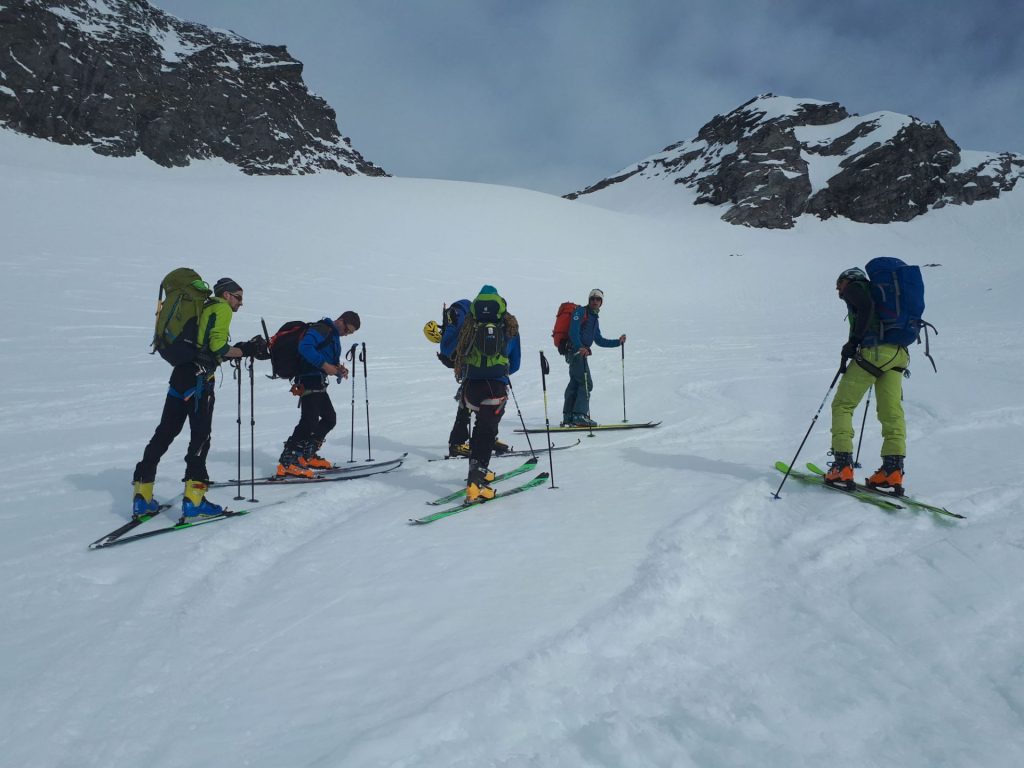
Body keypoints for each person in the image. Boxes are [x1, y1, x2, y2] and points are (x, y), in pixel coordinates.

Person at [133, 277, 264, 522]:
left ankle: (142, 494)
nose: (240, 303)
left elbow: (204, 345)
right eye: (238, 297)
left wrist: (238, 348)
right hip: (200, 382)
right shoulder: (222, 309)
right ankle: (194, 500)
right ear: (226, 295)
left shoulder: (203, 307)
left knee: (165, 433)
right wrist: (246, 350)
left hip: (180, 376)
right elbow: (217, 349)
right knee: (200, 438)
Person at [825, 267, 910, 492]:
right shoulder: (884, 296)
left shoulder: (857, 287)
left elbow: (865, 307)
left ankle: (842, 466)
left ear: (849, 280)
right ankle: (891, 472)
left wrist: (853, 342)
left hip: (875, 352)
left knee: (843, 405)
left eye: (839, 283)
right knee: (891, 412)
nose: (838, 289)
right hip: (899, 354)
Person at [451, 285, 521, 501]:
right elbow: (516, 364)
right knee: (486, 431)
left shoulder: (470, 324)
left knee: (479, 429)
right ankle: (476, 482)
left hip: (471, 387)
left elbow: (456, 351)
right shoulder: (508, 326)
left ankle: (478, 470)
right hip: (495, 386)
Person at [276, 311, 360, 478]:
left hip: (318, 380)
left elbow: (328, 360)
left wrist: (338, 370)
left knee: (329, 418)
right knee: (309, 421)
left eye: (350, 333)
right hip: (307, 379)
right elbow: (304, 347)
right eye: (347, 329)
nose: (346, 334)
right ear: (340, 321)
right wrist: (324, 365)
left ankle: (306, 455)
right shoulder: (322, 329)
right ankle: (287, 462)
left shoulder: (334, 337)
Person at [424, 300, 510, 458]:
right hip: (470, 364)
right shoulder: (460, 313)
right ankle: (462, 442)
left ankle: (476, 440)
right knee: (471, 403)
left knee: (472, 401)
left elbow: (449, 343)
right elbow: (449, 343)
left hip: (469, 363)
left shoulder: (458, 314)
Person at [561, 288, 626, 427]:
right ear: (589, 300)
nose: (595, 301)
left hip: (579, 352)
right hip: (576, 351)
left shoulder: (594, 319)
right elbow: (573, 331)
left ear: (601, 302)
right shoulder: (580, 312)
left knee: (575, 383)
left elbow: (599, 340)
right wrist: (580, 347)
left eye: (598, 299)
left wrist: (617, 342)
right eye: (593, 298)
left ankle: (569, 416)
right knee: (586, 383)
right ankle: (579, 415)